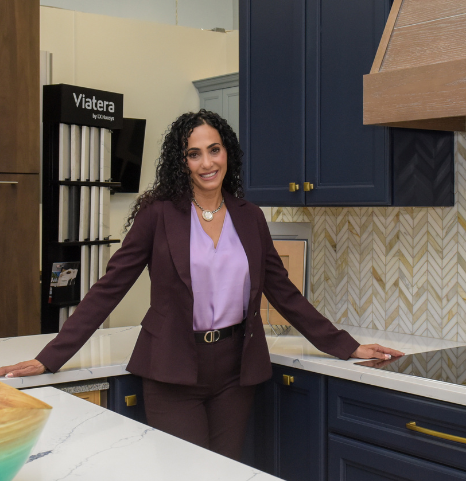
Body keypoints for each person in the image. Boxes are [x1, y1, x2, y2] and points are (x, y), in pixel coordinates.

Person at [0, 110, 403, 460]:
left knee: (224, 474)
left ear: (228, 152)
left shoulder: (250, 217)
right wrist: (51, 356)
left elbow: (284, 293)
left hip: (235, 371)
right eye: (194, 154)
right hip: (172, 368)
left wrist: (346, 345)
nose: (206, 162)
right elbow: (111, 286)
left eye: (214, 149)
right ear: (182, 162)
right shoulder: (159, 214)